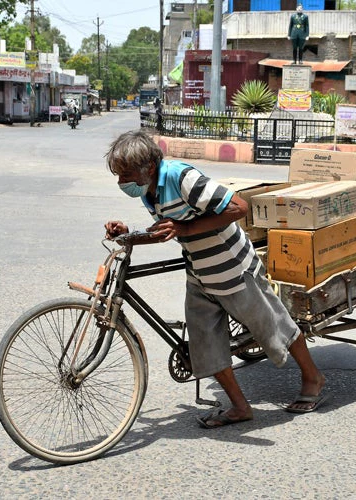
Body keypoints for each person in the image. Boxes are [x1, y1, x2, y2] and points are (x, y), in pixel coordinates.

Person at [103, 130, 326, 429]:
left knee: (272, 324)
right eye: (118, 176)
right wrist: (127, 234)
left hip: (233, 266)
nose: (122, 183)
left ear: (148, 167)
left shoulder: (182, 178)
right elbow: (168, 228)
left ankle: (313, 377)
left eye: (125, 174)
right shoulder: (149, 190)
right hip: (199, 271)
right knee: (204, 341)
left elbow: (238, 207)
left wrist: (185, 230)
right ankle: (239, 407)